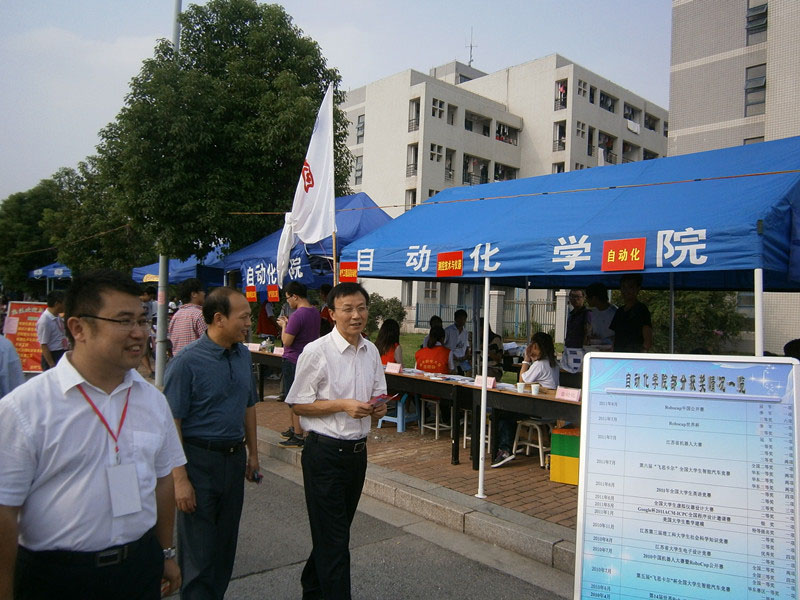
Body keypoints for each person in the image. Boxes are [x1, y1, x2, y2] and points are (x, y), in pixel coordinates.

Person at [0, 269, 186, 599]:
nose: (139, 333)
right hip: (56, 577)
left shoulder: (153, 401)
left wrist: (165, 552)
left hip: (138, 566)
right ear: (78, 328)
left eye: (142, 320)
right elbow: (5, 510)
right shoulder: (24, 409)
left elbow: (162, 481)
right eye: (124, 321)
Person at [286, 282, 388, 600]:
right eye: (348, 309)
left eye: (361, 308)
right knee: (334, 542)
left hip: (357, 455)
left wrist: (379, 408)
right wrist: (343, 405)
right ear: (331, 314)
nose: (356, 315)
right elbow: (298, 404)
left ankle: (312, 588)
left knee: (335, 534)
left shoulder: (371, 351)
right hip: (325, 454)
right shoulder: (316, 352)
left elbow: (378, 395)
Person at [163, 287, 260, 600]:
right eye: (243, 317)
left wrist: (253, 454)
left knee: (224, 548)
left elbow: (248, 406)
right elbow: (172, 422)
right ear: (219, 318)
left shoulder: (243, 355)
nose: (249, 323)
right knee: (199, 552)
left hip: (233, 460)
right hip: (198, 462)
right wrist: (180, 480)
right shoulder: (186, 363)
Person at [491, 332, 559, 468]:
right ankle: (511, 443)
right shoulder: (553, 364)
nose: (531, 348)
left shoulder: (540, 365)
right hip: (549, 408)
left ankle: (505, 449)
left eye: (533, 346)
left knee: (502, 414)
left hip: (538, 409)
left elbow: (521, 381)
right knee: (507, 414)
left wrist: (526, 360)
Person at [277, 281, 321, 448]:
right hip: (308, 359)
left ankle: (298, 434)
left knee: (294, 398)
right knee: (300, 395)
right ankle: (294, 428)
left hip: (293, 359)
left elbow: (287, 341)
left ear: (295, 296)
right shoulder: (314, 312)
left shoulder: (297, 315)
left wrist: (284, 325)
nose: (288, 302)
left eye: (288, 298)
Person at [610, 274, 653, 353]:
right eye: (623, 287)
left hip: (635, 355)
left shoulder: (641, 309)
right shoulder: (619, 311)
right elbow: (615, 336)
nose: (626, 291)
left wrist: (643, 352)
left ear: (638, 289)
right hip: (618, 355)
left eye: (630, 287)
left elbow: (647, 338)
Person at [168, 278, 207, 356]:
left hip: (178, 360)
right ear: (194, 294)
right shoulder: (199, 315)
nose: (204, 294)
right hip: (196, 360)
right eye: (202, 291)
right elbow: (208, 343)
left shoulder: (176, 315)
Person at [36, 290, 68, 370]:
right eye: (64, 303)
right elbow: (44, 345)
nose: (65, 306)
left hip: (61, 352)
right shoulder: (45, 321)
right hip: (53, 355)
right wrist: (52, 364)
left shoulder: (57, 317)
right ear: (57, 304)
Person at [585, 282, 617, 347]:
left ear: (594, 298)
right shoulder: (593, 312)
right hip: (595, 349)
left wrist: (603, 341)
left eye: (587, 297)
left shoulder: (615, 313)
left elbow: (619, 336)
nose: (586, 299)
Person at [444, 309, 471, 374]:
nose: (462, 321)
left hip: (462, 360)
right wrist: (452, 356)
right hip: (451, 359)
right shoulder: (448, 330)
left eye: (464, 319)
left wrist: (466, 356)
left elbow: (467, 346)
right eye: (460, 318)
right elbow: (443, 345)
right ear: (455, 319)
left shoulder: (465, 332)